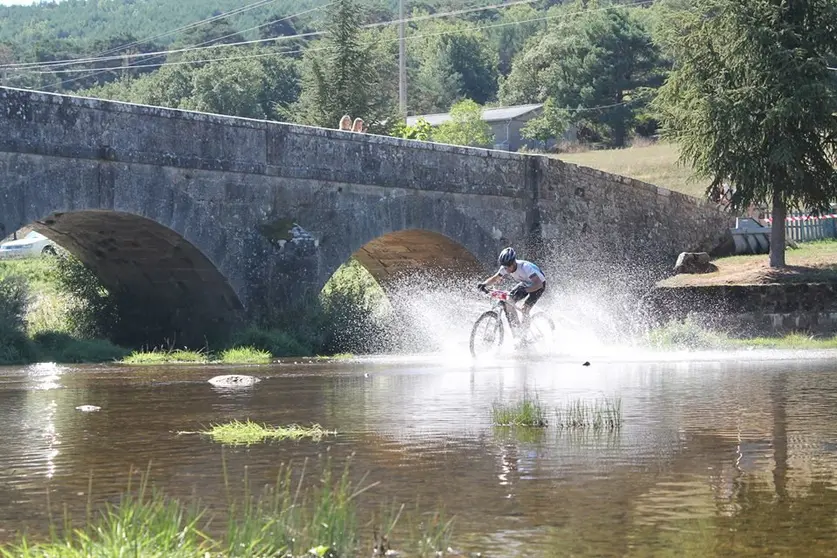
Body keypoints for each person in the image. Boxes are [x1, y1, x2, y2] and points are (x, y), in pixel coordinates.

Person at [477, 247, 546, 335]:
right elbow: (495, 278)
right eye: (505, 266)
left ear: (513, 262)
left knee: (525, 309)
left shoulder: (525, 267)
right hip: (525, 283)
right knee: (508, 301)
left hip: (538, 285)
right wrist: (484, 284)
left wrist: (526, 290)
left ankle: (524, 335)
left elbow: (538, 284)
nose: (507, 269)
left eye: (508, 266)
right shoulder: (505, 267)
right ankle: (517, 330)